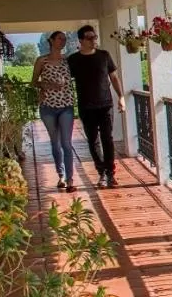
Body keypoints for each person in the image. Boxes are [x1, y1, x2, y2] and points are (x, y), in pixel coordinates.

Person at [67, 24, 125, 188]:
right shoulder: (73, 60)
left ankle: (111, 174)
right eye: (89, 38)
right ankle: (102, 172)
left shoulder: (104, 56)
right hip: (86, 107)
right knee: (93, 141)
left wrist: (121, 97)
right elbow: (64, 81)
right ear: (81, 40)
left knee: (108, 139)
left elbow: (113, 78)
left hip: (105, 105)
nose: (93, 40)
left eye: (95, 37)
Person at [31, 31, 77, 192]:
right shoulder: (41, 60)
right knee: (55, 142)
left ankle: (70, 179)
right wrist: (47, 86)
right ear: (51, 40)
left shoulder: (68, 60)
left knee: (66, 142)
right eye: (59, 39)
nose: (62, 42)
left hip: (66, 105)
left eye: (64, 39)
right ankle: (61, 175)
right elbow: (34, 82)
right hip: (48, 106)